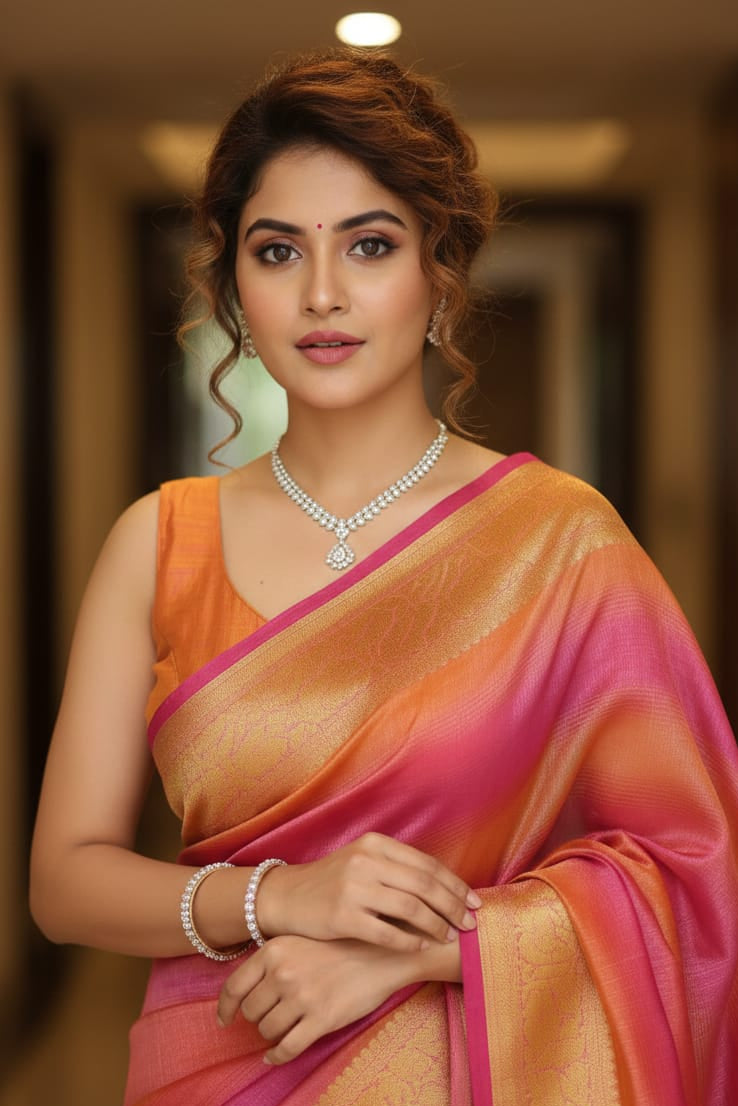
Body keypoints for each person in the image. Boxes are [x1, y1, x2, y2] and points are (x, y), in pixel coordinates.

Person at [30, 47, 738, 1106]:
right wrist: (281, 896)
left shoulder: (560, 541)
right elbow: (64, 881)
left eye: (369, 243)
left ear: (436, 268)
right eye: (277, 252)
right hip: (217, 1065)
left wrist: (424, 951)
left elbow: (695, 872)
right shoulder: (158, 539)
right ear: (232, 284)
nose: (323, 293)